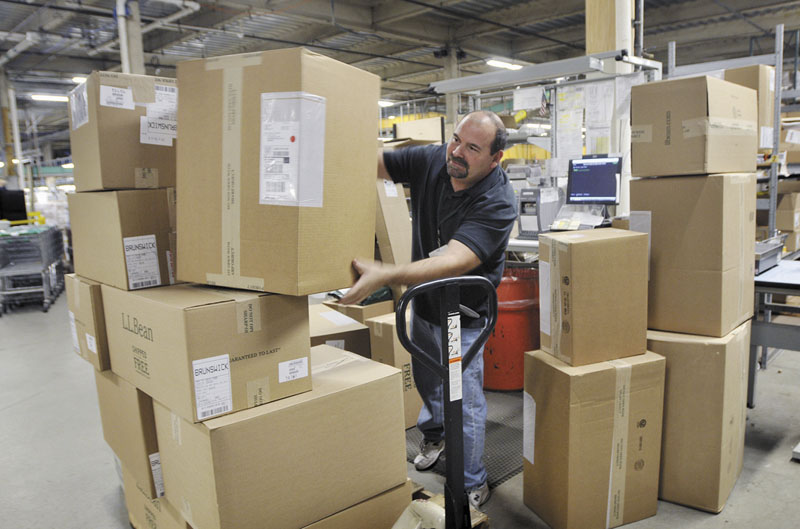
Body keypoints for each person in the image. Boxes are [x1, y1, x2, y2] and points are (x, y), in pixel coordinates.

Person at [339, 110, 517, 509]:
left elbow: (455, 260)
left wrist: (387, 273)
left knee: (462, 396)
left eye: (472, 148)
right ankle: (435, 435)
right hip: (424, 304)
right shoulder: (434, 159)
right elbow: (372, 163)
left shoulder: (498, 201)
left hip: (463, 315)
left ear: (495, 159)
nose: (457, 152)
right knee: (429, 381)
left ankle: (472, 481)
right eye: (456, 139)